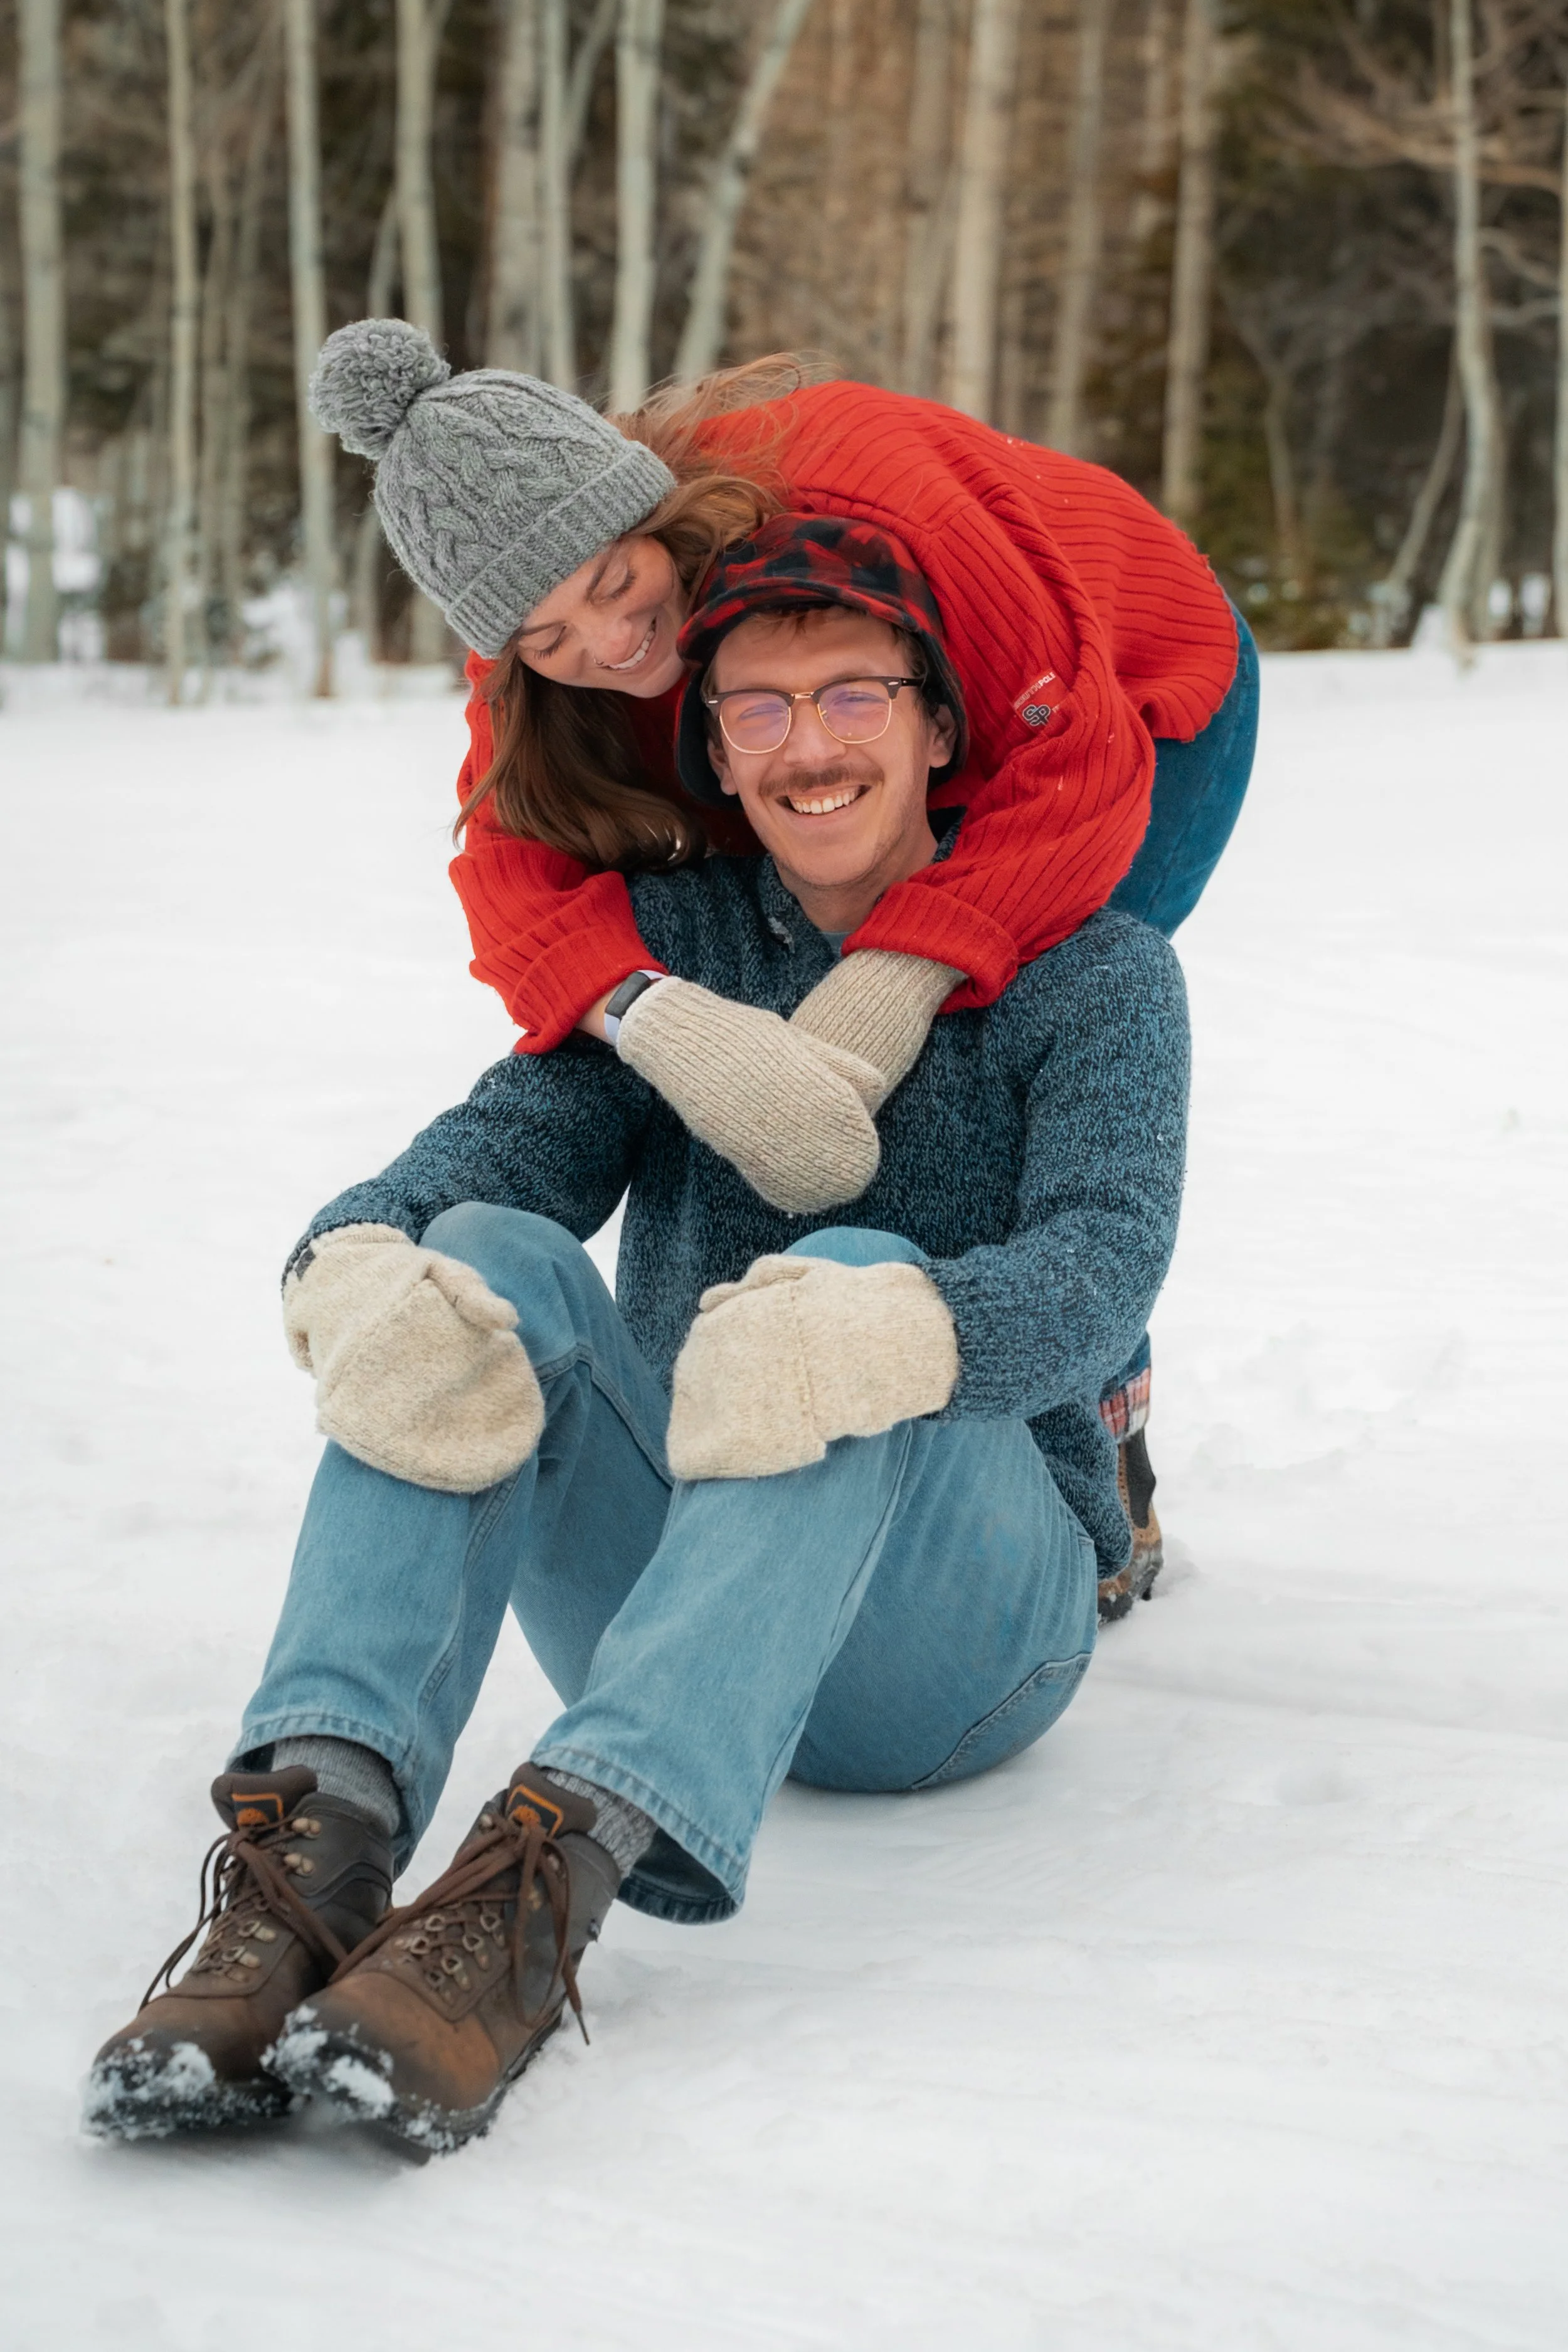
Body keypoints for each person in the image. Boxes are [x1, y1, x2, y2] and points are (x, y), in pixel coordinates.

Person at [86, 523, 1189, 2157]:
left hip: (954, 1642)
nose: (808, 742)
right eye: (757, 710)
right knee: (477, 1267)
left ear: (938, 723)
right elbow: (506, 1139)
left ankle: (535, 1896)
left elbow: (1102, 1270)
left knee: (857, 1271)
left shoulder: (1098, 970)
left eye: (853, 695)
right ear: (717, 753)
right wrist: (357, 1247)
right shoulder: (671, 951)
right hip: (684, 1576)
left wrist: (891, 1322)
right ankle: (312, 1854)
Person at [309, 320, 1255, 1612]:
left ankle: (1078, 1452)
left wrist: (886, 989)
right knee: (785, 997)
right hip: (833, 723)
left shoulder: (866, 498)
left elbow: (1077, 764)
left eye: (609, 582)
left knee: (1022, 1044)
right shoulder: (529, 579)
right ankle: (809, 1415)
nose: (602, 640)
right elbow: (511, 871)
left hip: (1120, 703)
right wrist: (649, 1014)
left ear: (636, 502)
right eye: (544, 636)